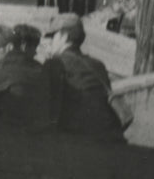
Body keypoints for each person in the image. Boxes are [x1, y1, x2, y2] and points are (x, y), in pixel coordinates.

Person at [43, 13, 125, 142]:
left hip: (76, 140)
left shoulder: (55, 64)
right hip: (108, 136)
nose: (50, 42)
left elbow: (49, 109)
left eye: (53, 36)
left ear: (64, 37)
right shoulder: (98, 65)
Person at [0, 24, 54, 131]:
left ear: (9, 47)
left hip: (10, 134)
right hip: (38, 133)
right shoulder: (39, 67)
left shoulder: (3, 68)